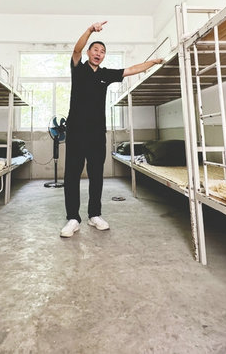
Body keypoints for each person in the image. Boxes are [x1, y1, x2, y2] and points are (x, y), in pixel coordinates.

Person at [60, 21, 163, 237]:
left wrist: (152, 63)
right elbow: (76, 50)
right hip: (76, 132)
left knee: (96, 175)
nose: (99, 53)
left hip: (97, 134)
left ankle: (94, 215)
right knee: (72, 175)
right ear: (89, 52)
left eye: (102, 51)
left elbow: (131, 70)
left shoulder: (105, 74)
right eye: (95, 50)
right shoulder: (78, 69)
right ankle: (73, 218)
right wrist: (90, 30)